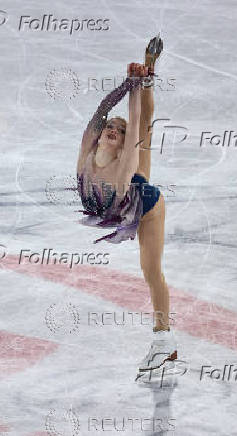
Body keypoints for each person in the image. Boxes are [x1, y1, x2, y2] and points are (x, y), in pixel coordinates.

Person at [76, 37, 177, 380]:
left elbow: (133, 127)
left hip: (145, 204)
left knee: (151, 271)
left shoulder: (122, 170)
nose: (112, 131)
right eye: (110, 129)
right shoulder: (86, 158)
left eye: (117, 132)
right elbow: (101, 111)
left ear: (120, 146)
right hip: (128, 186)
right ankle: (149, 76)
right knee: (141, 138)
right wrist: (127, 83)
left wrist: (134, 92)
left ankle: (163, 341)